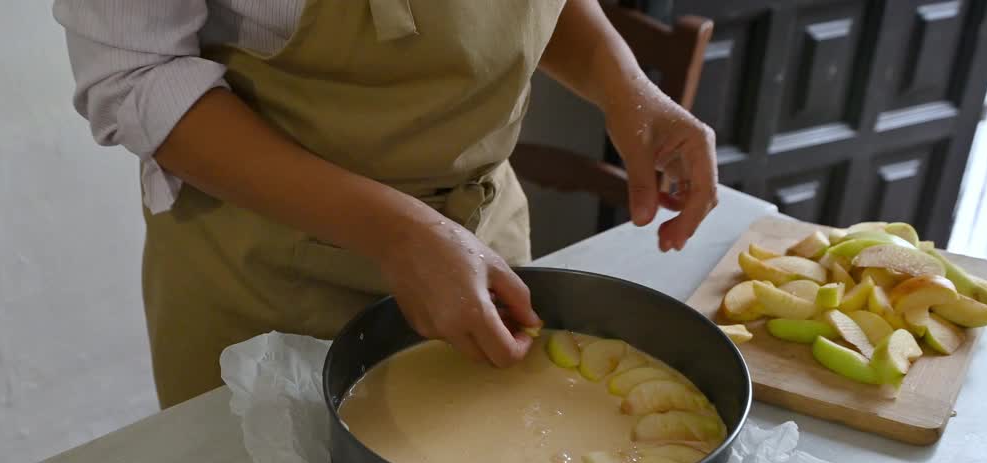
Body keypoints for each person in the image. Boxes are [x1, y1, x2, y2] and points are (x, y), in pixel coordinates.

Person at [53, 0, 719, 409]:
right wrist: (398, 234)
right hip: (263, 288)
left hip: (485, 251)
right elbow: (134, 75)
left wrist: (622, 82)